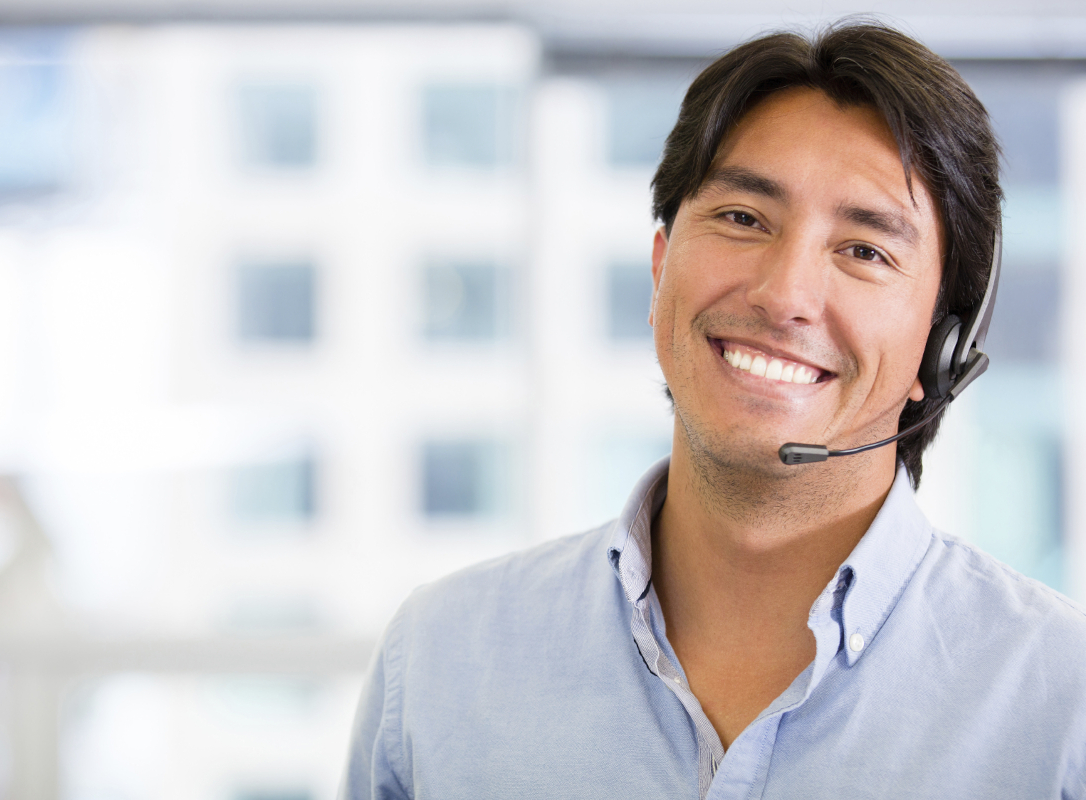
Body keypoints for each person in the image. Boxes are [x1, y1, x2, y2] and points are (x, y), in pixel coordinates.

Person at [340, 20, 1086, 799]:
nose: (785, 295)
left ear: (942, 345)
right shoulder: (438, 663)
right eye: (742, 219)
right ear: (662, 266)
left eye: (865, 251)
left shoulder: (1062, 708)